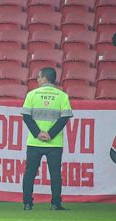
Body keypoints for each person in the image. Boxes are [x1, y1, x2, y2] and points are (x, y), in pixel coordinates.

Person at [20, 67, 73, 211]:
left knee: (30, 172)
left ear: (44, 79)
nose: (37, 79)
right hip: (54, 143)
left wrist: (38, 133)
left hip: (34, 142)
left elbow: (26, 117)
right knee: (55, 173)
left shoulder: (31, 94)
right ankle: (56, 203)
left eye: (38, 77)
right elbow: (65, 118)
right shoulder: (62, 96)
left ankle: (27, 203)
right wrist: (50, 134)